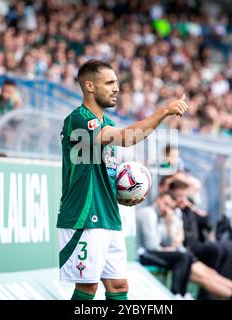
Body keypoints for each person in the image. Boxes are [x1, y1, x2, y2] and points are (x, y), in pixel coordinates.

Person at [56, 59, 189, 301]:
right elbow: (128, 138)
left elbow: (102, 170)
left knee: (118, 286)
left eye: (116, 82)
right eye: (109, 83)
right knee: (87, 288)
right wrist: (165, 111)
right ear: (89, 86)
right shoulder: (79, 119)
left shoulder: (107, 122)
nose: (116, 88)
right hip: (84, 216)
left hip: (108, 215)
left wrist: (122, 193)